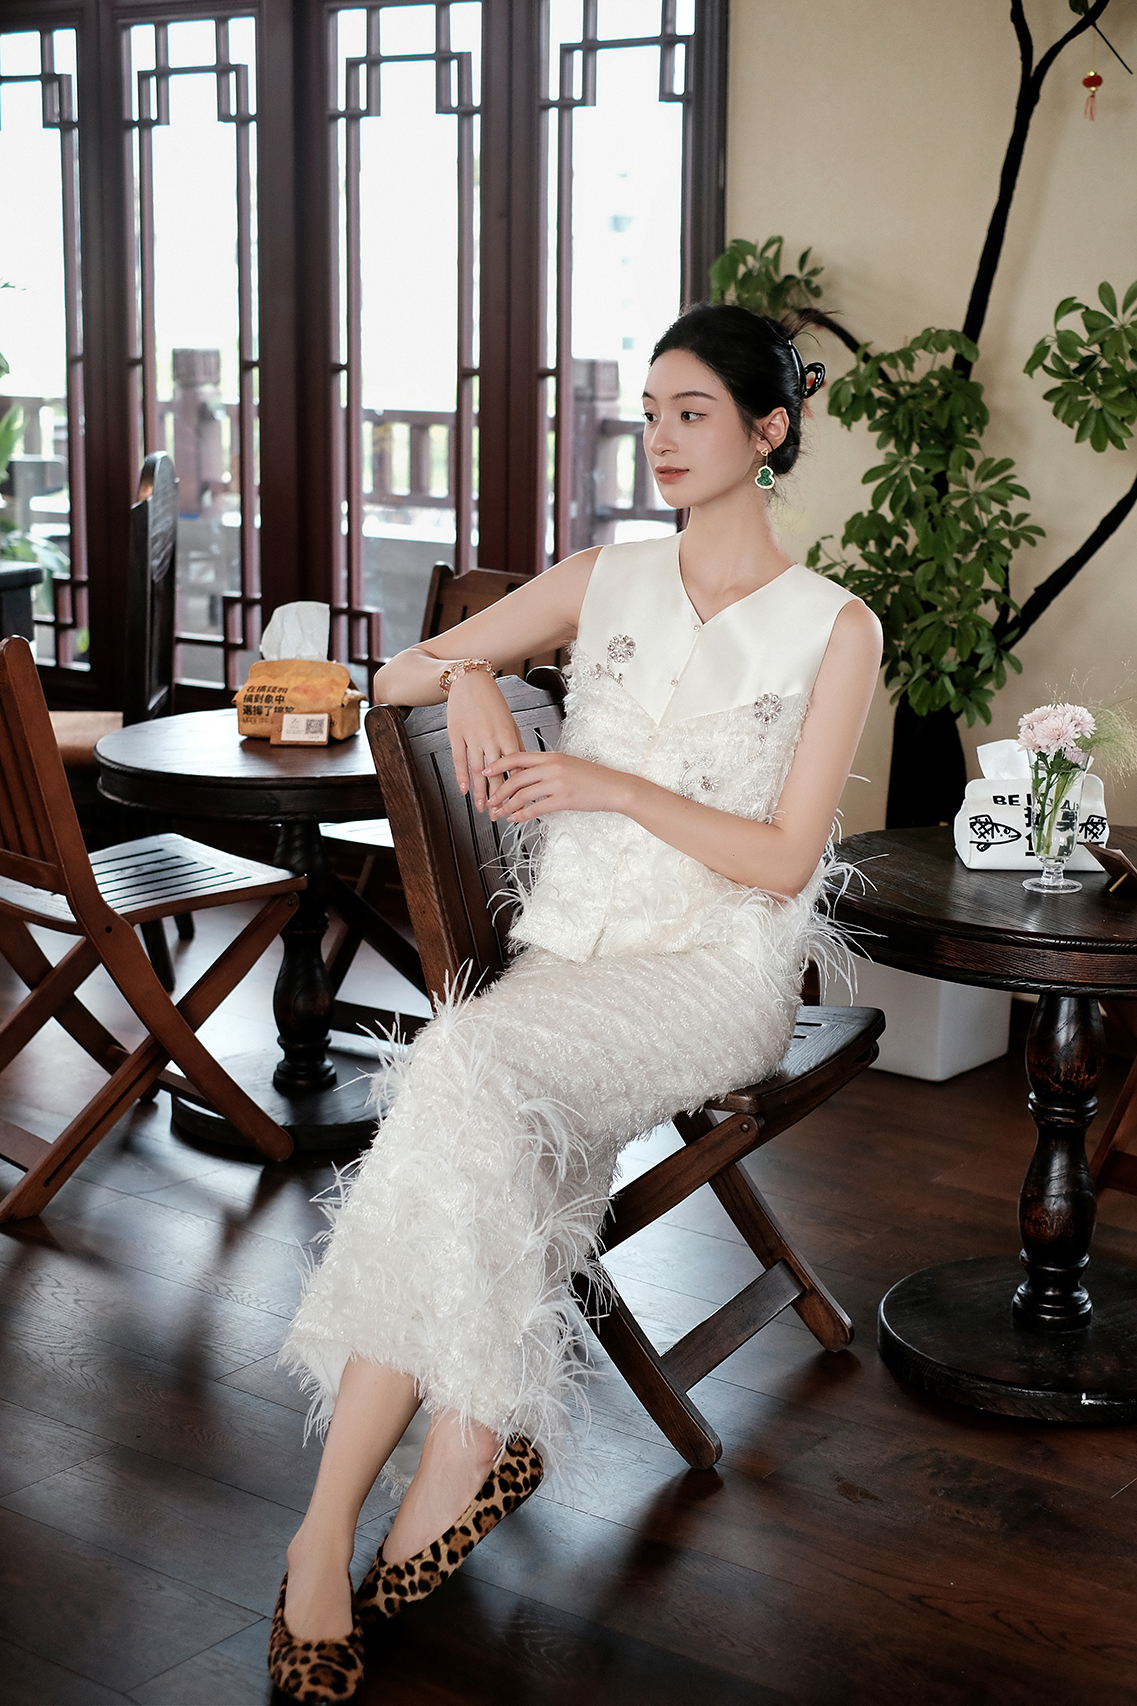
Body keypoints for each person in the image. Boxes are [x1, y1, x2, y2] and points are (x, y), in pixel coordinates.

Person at [268, 303, 882, 1703]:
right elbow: (397, 673)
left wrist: (610, 785)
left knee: (462, 1068)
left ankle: (432, 1462)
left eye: (693, 413)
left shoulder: (834, 628)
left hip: (710, 976)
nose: (661, 437)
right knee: (471, 1109)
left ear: (769, 431)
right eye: (649, 412)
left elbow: (785, 859)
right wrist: (476, 671)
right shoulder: (604, 575)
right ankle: (367, 1502)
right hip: (567, 966)